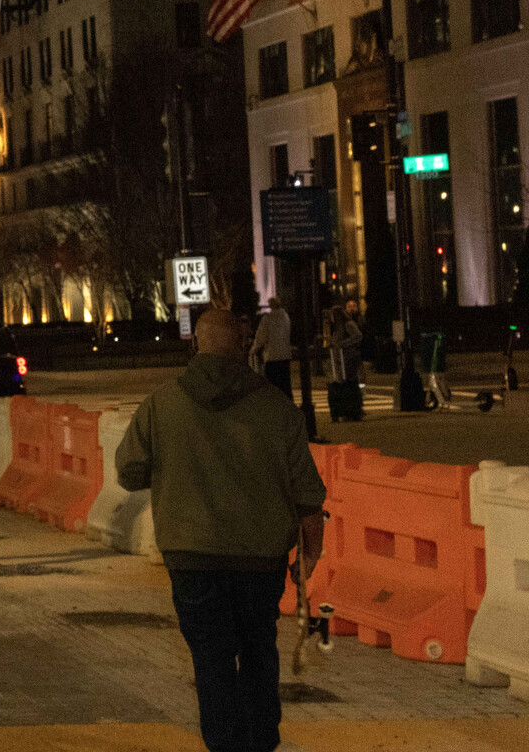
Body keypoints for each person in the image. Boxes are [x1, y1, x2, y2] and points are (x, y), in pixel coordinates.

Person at [115, 309, 325, 752]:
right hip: (261, 560)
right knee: (258, 654)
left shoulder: (162, 403)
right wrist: (309, 556)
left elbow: (130, 471)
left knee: (210, 661)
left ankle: (225, 744)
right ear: (244, 345)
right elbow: (308, 495)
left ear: (197, 345)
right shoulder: (275, 406)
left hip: (192, 557)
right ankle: (261, 741)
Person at [249, 297, 293, 396]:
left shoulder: (267, 319)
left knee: (274, 386)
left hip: (272, 357)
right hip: (285, 356)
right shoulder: (286, 317)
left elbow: (261, 337)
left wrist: (253, 349)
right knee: (286, 385)